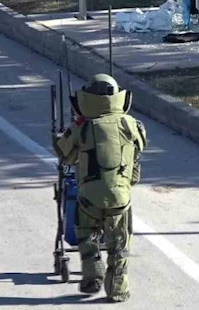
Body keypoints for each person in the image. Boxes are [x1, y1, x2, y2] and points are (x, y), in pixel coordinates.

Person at [53, 74, 147, 303]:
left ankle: (92, 277)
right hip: (120, 200)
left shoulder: (82, 127)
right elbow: (139, 150)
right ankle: (117, 290)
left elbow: (65, 155)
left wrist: (62, 133)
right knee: (119, 246)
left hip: (89, 200)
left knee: (87, 236)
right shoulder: (131, 124)